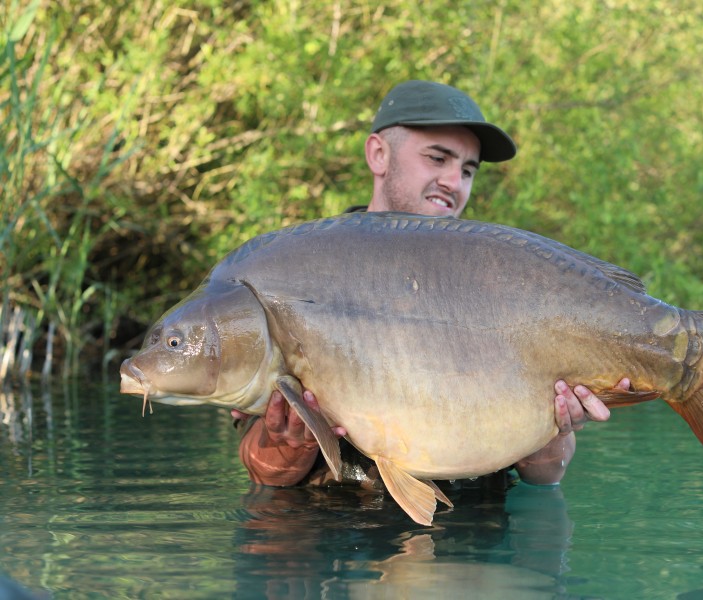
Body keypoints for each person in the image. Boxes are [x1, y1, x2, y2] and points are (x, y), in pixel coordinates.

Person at [233, 80, 625, 491]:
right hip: (338, 534)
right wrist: (289, 443)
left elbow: (546, 476)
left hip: (476, 538)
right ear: (378, 154)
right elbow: (261, 472)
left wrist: (556, 428)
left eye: (468, 170)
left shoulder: (501, 278)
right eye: (438, 158)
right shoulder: (304, 269)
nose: (454, 182)